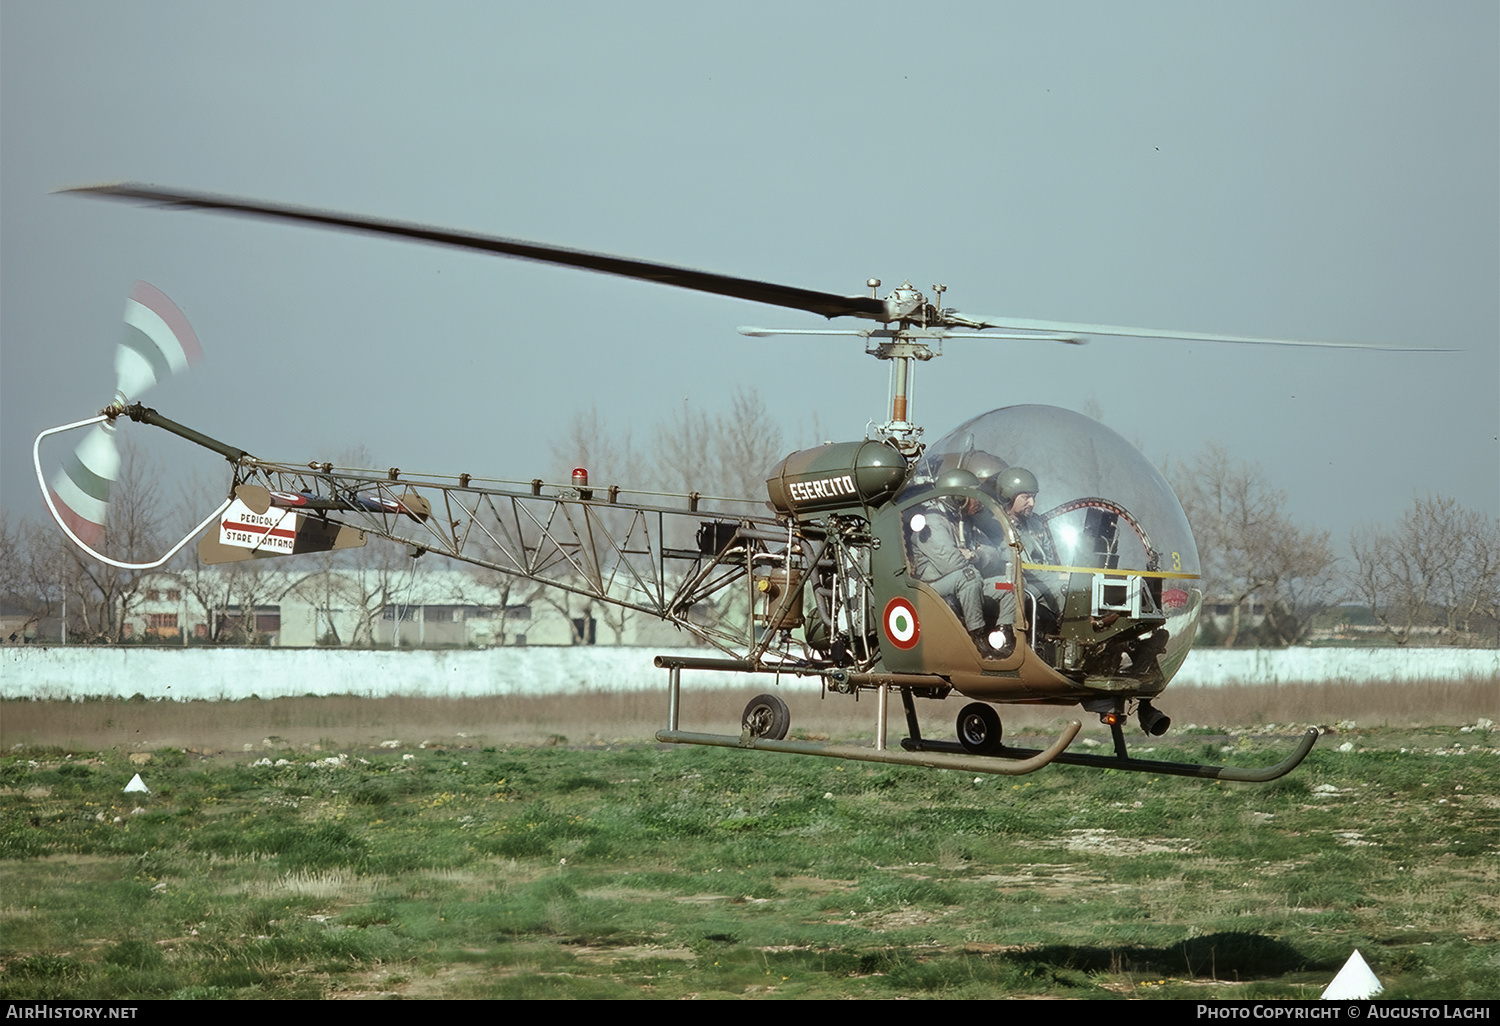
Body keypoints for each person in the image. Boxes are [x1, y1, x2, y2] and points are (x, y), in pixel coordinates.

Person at [906, 469, 1009, 657]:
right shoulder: (932, 521)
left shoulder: (965, 520)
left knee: (1008, 585)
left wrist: (973, 556)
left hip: (966, 581)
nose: (978, 500)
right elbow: (952, 564)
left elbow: (994, 556)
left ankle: (1005, 636)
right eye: (972, 495)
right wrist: (973, 557)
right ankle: (976, 637)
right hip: (933, 587)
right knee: (968, 576)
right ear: (958, 498)